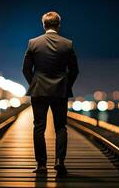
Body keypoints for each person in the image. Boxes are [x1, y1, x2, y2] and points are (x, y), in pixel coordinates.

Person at [22, 11, 79, 174]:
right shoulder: (67, 44)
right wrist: (66, 85)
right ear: (58, 25)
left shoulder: (33, 43)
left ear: (44, 25)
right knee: (61, 127)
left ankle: (41, 165)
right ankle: (60, 162)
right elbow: (74, 70)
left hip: (39, 90)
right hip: (60, 91)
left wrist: (34, 84)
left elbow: (25, 69)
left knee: (39, 127)